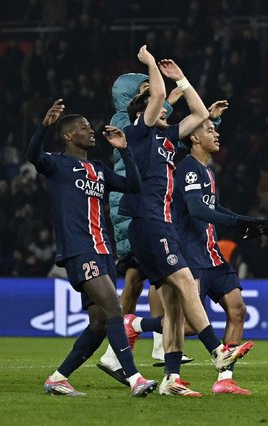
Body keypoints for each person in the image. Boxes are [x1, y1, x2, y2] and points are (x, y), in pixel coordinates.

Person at [120, 45, 253, 397]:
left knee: (176, 306)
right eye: (158, 107)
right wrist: (151, 66)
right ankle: (217, 350)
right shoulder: (140, 133)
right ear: (145, 112)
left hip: (157, 224)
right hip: (150, 223)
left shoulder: (164, 138)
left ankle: (171, 379)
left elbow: (197, 112)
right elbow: (160, 95)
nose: (165, 109)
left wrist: (183, 78)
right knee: (183, 282)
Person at [28, 99, 157, 397]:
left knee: (99, 322)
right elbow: (33, 155)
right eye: (84, 127)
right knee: (115, 308)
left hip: (103, 251)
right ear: (68, 136)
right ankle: (134, 377)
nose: (91, 130)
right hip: (79, 249)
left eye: (90, 126)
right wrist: (43, 126)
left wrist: (125, 150)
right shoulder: (57, 163)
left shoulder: (98, 169)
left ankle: (59, 378)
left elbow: (133, 186)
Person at [173, 117, 268, 395]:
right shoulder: (187, 169)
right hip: (191, 256)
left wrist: (251, 221)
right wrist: (238, 224)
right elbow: (197, 210)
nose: (216, 133)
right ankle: (135, 324)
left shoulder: (208, 172)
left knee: (237, 311)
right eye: (209, 129)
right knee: (187, 325)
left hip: (213, 255)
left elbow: (217, 209)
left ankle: (224, 379)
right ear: (195, 138)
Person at [97, 72, 191, 384]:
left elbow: (159, 110)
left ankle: (132, 348)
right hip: (132, 206)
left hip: (135, 204)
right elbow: (154, 113)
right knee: (145, 277)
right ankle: (125, 347)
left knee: (142, 280)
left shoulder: (134, 119)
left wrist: (174, 96)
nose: (153, 95)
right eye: (145, 90)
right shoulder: (124, 120)